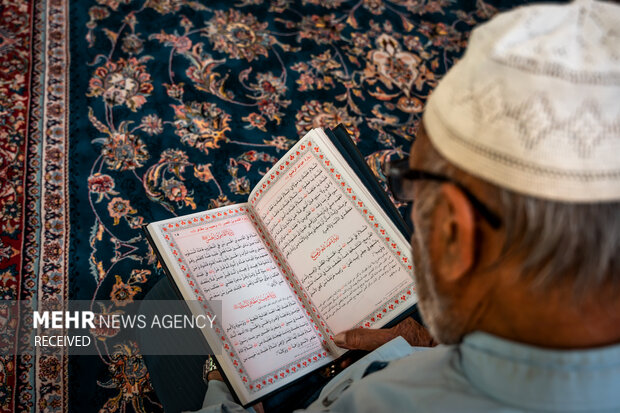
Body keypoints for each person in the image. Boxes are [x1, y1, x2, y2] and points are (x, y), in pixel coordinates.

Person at [192, 0, 620, 411]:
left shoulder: (383, 401)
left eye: (412, 184)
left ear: (455, 230)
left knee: (171, 320)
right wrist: (426, 351)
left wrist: (219, 375)